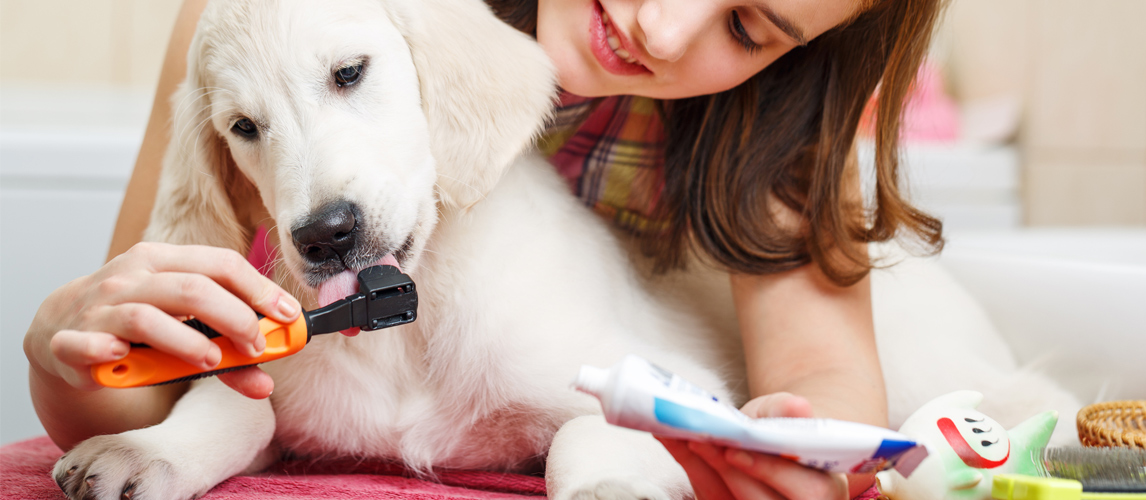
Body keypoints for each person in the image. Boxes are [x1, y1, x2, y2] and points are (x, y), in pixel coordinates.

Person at [23, 0, 944, 498]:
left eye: (745, 24)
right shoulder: (257, 28)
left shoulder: (767, 126)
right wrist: (60, 347)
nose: (659, 26)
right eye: (249, 128)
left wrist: (811, 452)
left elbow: (824, 372)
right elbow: (152, 359)